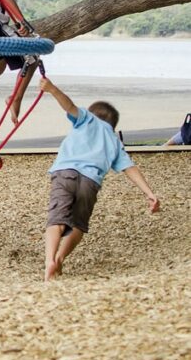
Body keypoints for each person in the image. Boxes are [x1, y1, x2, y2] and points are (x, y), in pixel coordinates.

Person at [40, 76, 160, 281]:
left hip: (65, 173)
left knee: (56, 220)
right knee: (78, 225)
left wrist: (52, 89)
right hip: (90, 183)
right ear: (113, 125)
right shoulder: (114, 140)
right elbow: (129, 168)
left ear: (92, 114)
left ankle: (49, 260)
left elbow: (68, 106)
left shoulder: (87, 119)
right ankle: (60, 258)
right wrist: (150, 194)